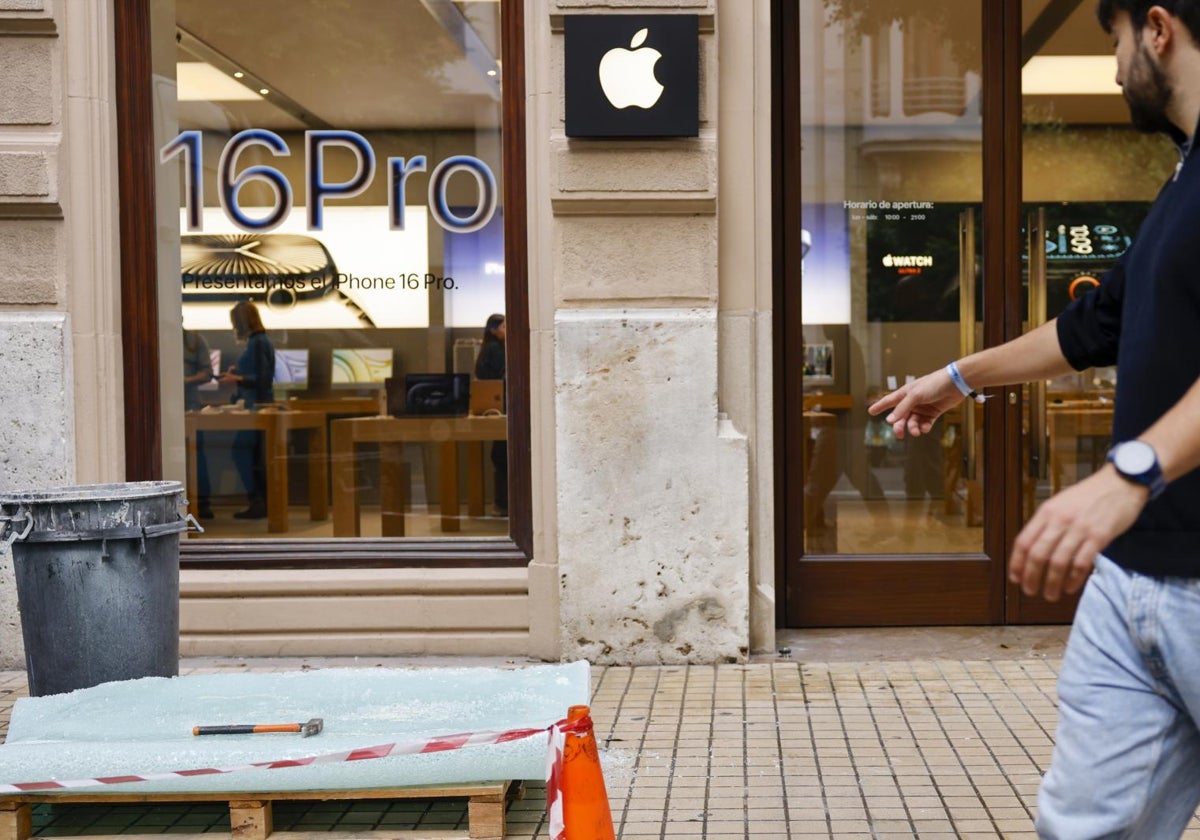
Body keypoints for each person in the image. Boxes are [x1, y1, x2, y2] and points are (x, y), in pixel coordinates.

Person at [870, 3, 1200, 835]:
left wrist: (1132, 472)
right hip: (1131, 582)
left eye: (1115, 41)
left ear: (1157, 30)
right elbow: (1099, 324)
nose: (1114, 66)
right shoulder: (1184, 179)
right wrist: (956, 379)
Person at [219, 301, 275, 520]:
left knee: (245, 454)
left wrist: (237, 378)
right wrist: (239, 373)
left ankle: (258, 501)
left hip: (256, 408)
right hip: (255, 406)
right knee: (251, 455)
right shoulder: (259, 341)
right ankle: (258, 502)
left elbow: (263, 379)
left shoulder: (258, 342)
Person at [475, 313, 507, 516]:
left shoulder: (487, 349)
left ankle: (501, 504)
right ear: (494, 330)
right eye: (504, 327)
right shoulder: (497, 350)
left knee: (499, 455)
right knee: (503, 455)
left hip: (492, 407)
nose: (507, 331)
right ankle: (503, 504)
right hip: (501, 408)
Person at [182, 329, 214, 519]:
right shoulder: (160, 336)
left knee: (196, 453)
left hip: (190, 404)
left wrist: (184, 380)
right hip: (164, 404)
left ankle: (202, 503)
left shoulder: (194, 340)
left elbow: (207, 373)